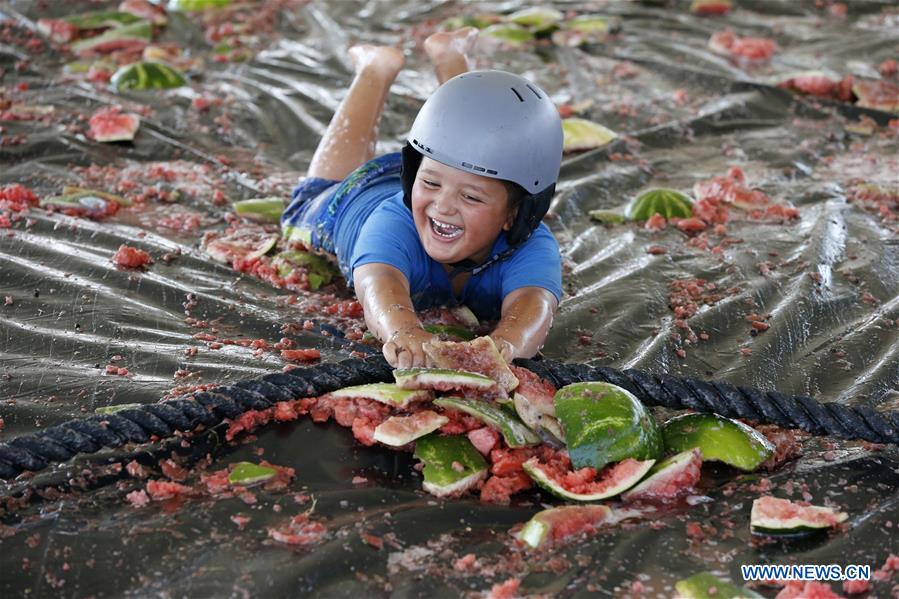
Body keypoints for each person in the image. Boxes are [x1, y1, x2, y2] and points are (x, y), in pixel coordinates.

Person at [280, 28, 564, 368]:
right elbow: (378, 284)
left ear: (514, 214)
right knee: (312, 194)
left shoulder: (533, 245)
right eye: (431, 185)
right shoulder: (391, 225)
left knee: (483, 125)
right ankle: (374, 68)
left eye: (471, 197)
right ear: (414, 173)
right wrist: (403, 331)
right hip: (350, 200)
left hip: (434, 171)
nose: (443, 206)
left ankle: (450, 54)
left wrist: (507, 345)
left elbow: (536, 305)